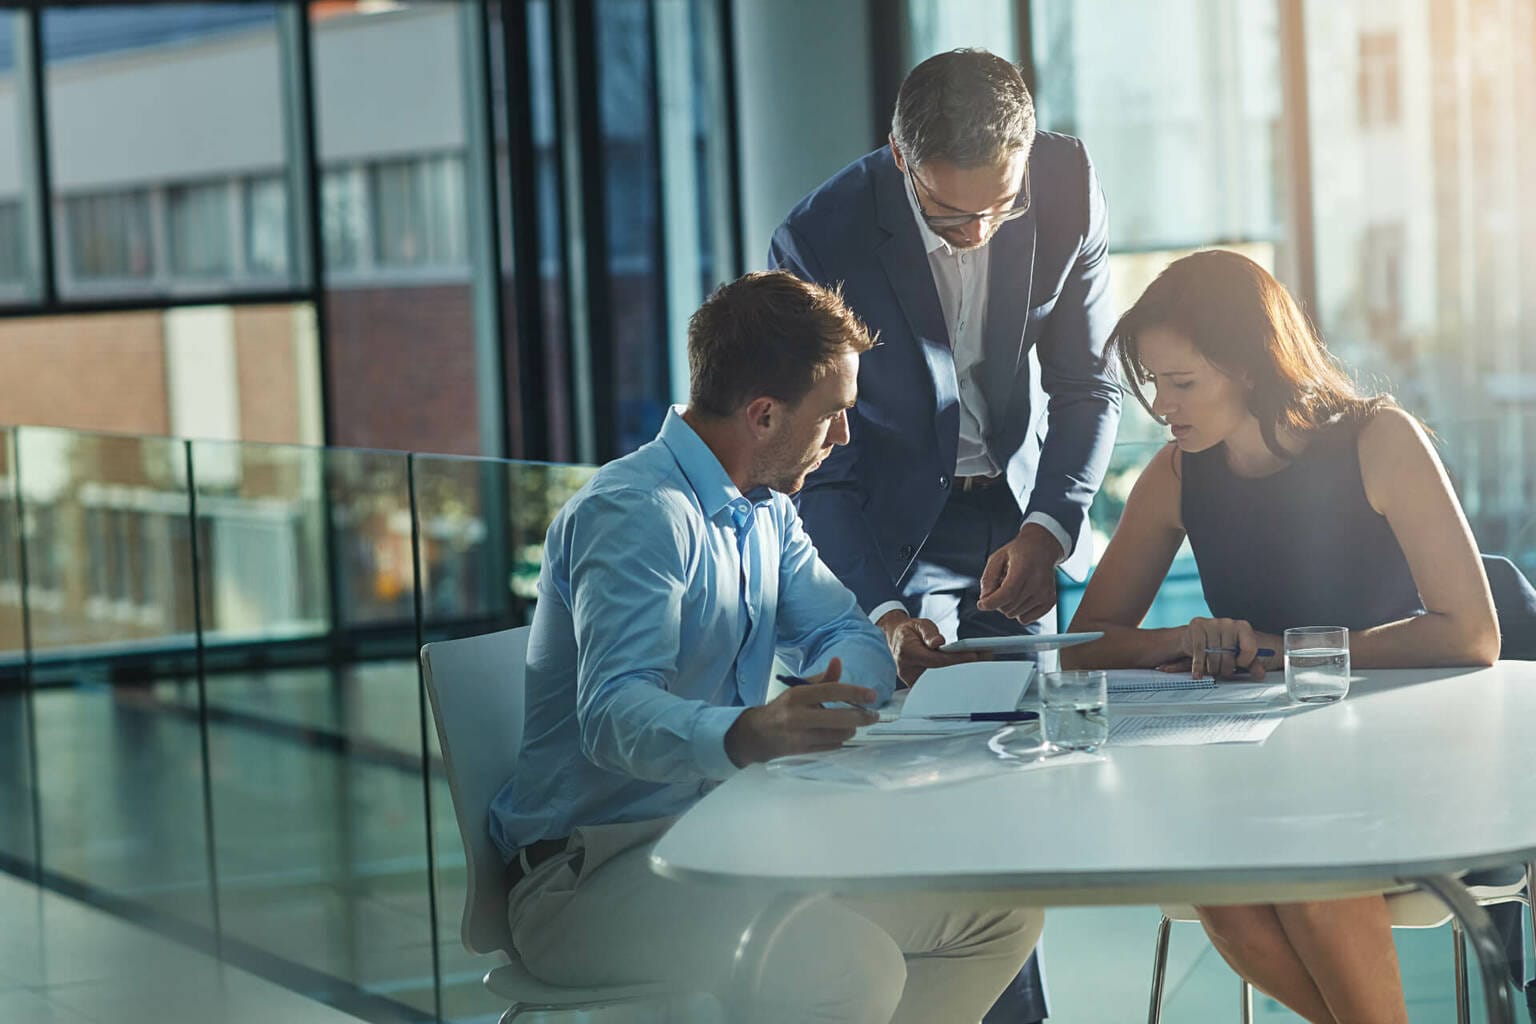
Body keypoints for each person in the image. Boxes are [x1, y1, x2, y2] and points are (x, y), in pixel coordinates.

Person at [490, 270, 1044, 1024]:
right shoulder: (635, 515)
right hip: (591, 878)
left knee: (998, 915)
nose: (844, 437)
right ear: (762, 416)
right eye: (833, 416)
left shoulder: (765, 515)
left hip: (725, 844)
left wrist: (838, 690)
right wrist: (751, 733)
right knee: (851, 968)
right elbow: (613, 714)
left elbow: (846, 630)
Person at [771, 47, 1121, 1021]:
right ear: (897, 158)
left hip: (1012, 511)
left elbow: (1087, 385)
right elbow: (823, 469)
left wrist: (1052, 526)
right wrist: (879, 609)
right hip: (879, 527)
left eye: (995, 210)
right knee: (892, 791)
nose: (976, 234)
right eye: (947, 214)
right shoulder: (820, 238)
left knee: (1009, 796)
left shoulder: (1065, 183)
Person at [1064, 249, 1499, 1024]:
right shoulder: (1176, 473)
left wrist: (1287, 649)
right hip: (1266, 763)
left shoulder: (1380, 440)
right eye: (1154, 383)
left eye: (1183, 382)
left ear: (1253, 366)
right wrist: (1187, 638)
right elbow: (1085, 645)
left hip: (1401, 755)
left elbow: (1471, 635)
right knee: (1225, 895)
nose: (1162, 405)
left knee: (1310, 879)